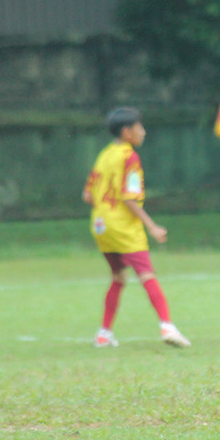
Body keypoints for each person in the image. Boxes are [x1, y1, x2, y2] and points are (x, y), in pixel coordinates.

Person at [83, 107, 190, 349]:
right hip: (122, 226)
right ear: (127, 132)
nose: (143, 132)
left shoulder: (104, 155)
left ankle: (104, 334)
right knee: (146, 275)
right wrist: (152, 226)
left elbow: (87, 195)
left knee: (118, 277)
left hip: (100, 225)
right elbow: (129, 198)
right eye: (139, 127)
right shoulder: (129, 157)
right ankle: (167, 326)